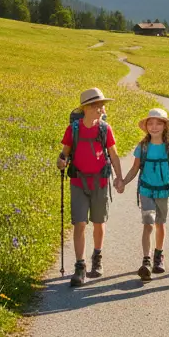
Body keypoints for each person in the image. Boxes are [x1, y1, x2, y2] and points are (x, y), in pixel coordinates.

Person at [57, 87, 125, 287]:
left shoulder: (105, 129)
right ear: (86, 108)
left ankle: (97, 256)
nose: (102, 109)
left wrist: (119, 177)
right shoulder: (73, 129)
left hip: (100, 182)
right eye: (97, 105)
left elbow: (113, 154)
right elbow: (64, 153)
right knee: (79, 223)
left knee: (98, 222)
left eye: (102, 105)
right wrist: (61, 161)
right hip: (78, 182)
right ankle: (80, 266)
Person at [120, 107, 169, 281]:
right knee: (148, 223)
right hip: (146, 190)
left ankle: (159, 256)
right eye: (151, 123)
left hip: (163, 190)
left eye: (158, 123)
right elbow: (134, 169)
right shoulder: (142, 147)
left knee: (160, 224)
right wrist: (123, 182)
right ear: (146, 126)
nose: (154, 126)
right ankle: (146, 260)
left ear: (164, 126)